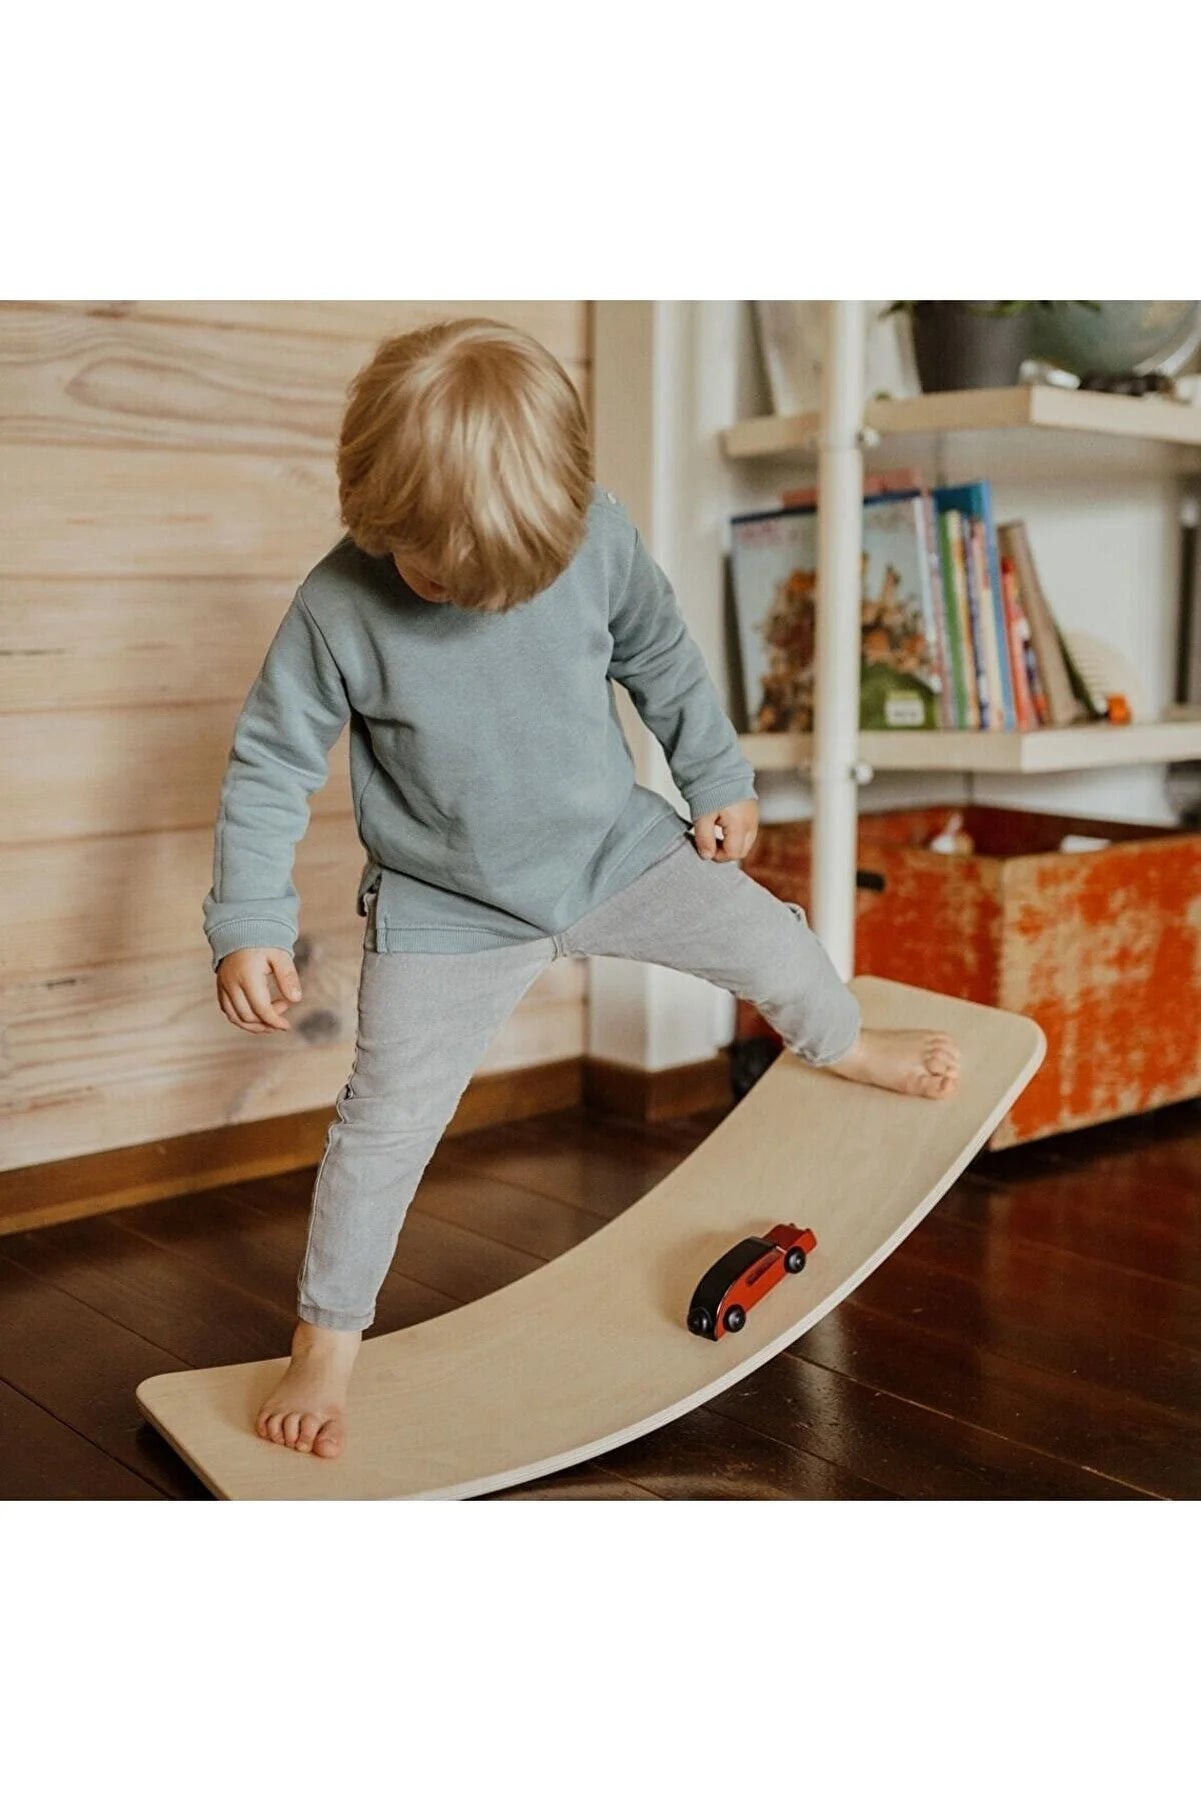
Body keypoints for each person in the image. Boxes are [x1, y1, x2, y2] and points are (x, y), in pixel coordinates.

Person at [204, 317, 960, 1461]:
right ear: (372, 508)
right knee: (382, 1126)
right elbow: (270, 759)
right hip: (445, 908)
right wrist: (250, 919)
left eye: (492, 582)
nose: (454, 595)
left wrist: (716, 776)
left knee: (775, 947)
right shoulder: (338, 607)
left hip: (617, 852)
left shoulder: (598, 537)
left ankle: (842, 1038)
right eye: (432, 574)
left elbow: (659, 655)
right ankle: (327, 1338)